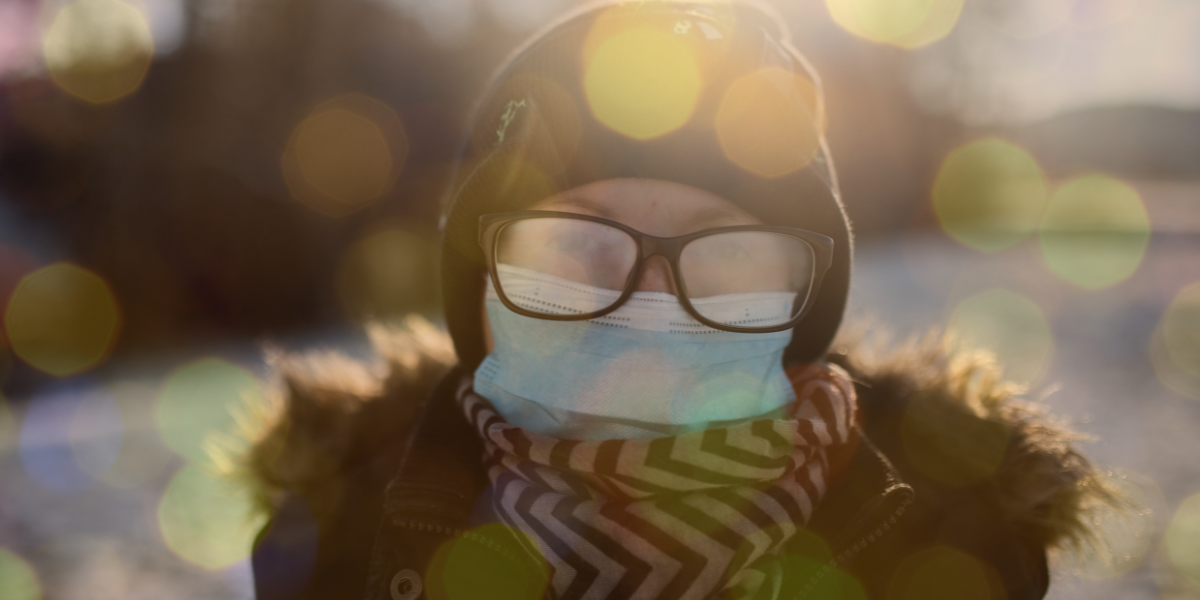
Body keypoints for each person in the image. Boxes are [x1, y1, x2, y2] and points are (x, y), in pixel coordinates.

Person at [240, 2, 1117, 599]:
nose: (646, 302)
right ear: (481, 286)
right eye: (575, 242)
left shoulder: (963, 549)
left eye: (725, 253)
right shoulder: (328, 545)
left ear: (795, 302)